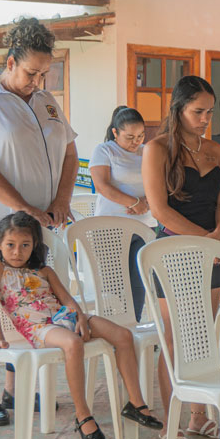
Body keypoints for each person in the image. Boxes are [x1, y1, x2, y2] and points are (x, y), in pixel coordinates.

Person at [0, 18, 78, 426]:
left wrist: (60, 199)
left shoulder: (46, 101)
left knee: (28, 301)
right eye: (31, 73)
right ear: (9, 63)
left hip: (37, 226)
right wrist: (25, 208)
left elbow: (70, 151)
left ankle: (13, 388)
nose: (38, 81)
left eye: (45, 74)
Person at [0, 212, 162, 439]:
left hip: (64, 317)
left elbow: (67, 300)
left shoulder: (44, 271)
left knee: (123, 335)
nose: (17, 252)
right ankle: (83, 414)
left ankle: (136, 404)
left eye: (25, 245)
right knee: (73, 343)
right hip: (38, 327)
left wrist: (80, 318)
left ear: (34, 245)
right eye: (10, 245)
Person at [142, 75, 220, 439]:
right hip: (174, 251)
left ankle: (197, 416)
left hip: (212, 250)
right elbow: (159, 210)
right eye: (198, 112)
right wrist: (205, 240)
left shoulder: (215, 149)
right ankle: (170, 422)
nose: (205, 119)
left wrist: (219, 234)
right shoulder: (157, 148)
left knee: (201, 335)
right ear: (178, 109)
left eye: (210, 112)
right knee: (174, 338)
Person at [89, 106, 156, 321]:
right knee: (114, 284)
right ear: (115, 132)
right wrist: (134, 203)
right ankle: (115, 328)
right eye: (129, 137)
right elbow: (102, 186)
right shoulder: (105, 150)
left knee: (138, 282)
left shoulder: (147, 151)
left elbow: (160, 182)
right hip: (111, 228)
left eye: (140, 136)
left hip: (144, 225)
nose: (136, 141)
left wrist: (147, 203)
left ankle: (133, 326)